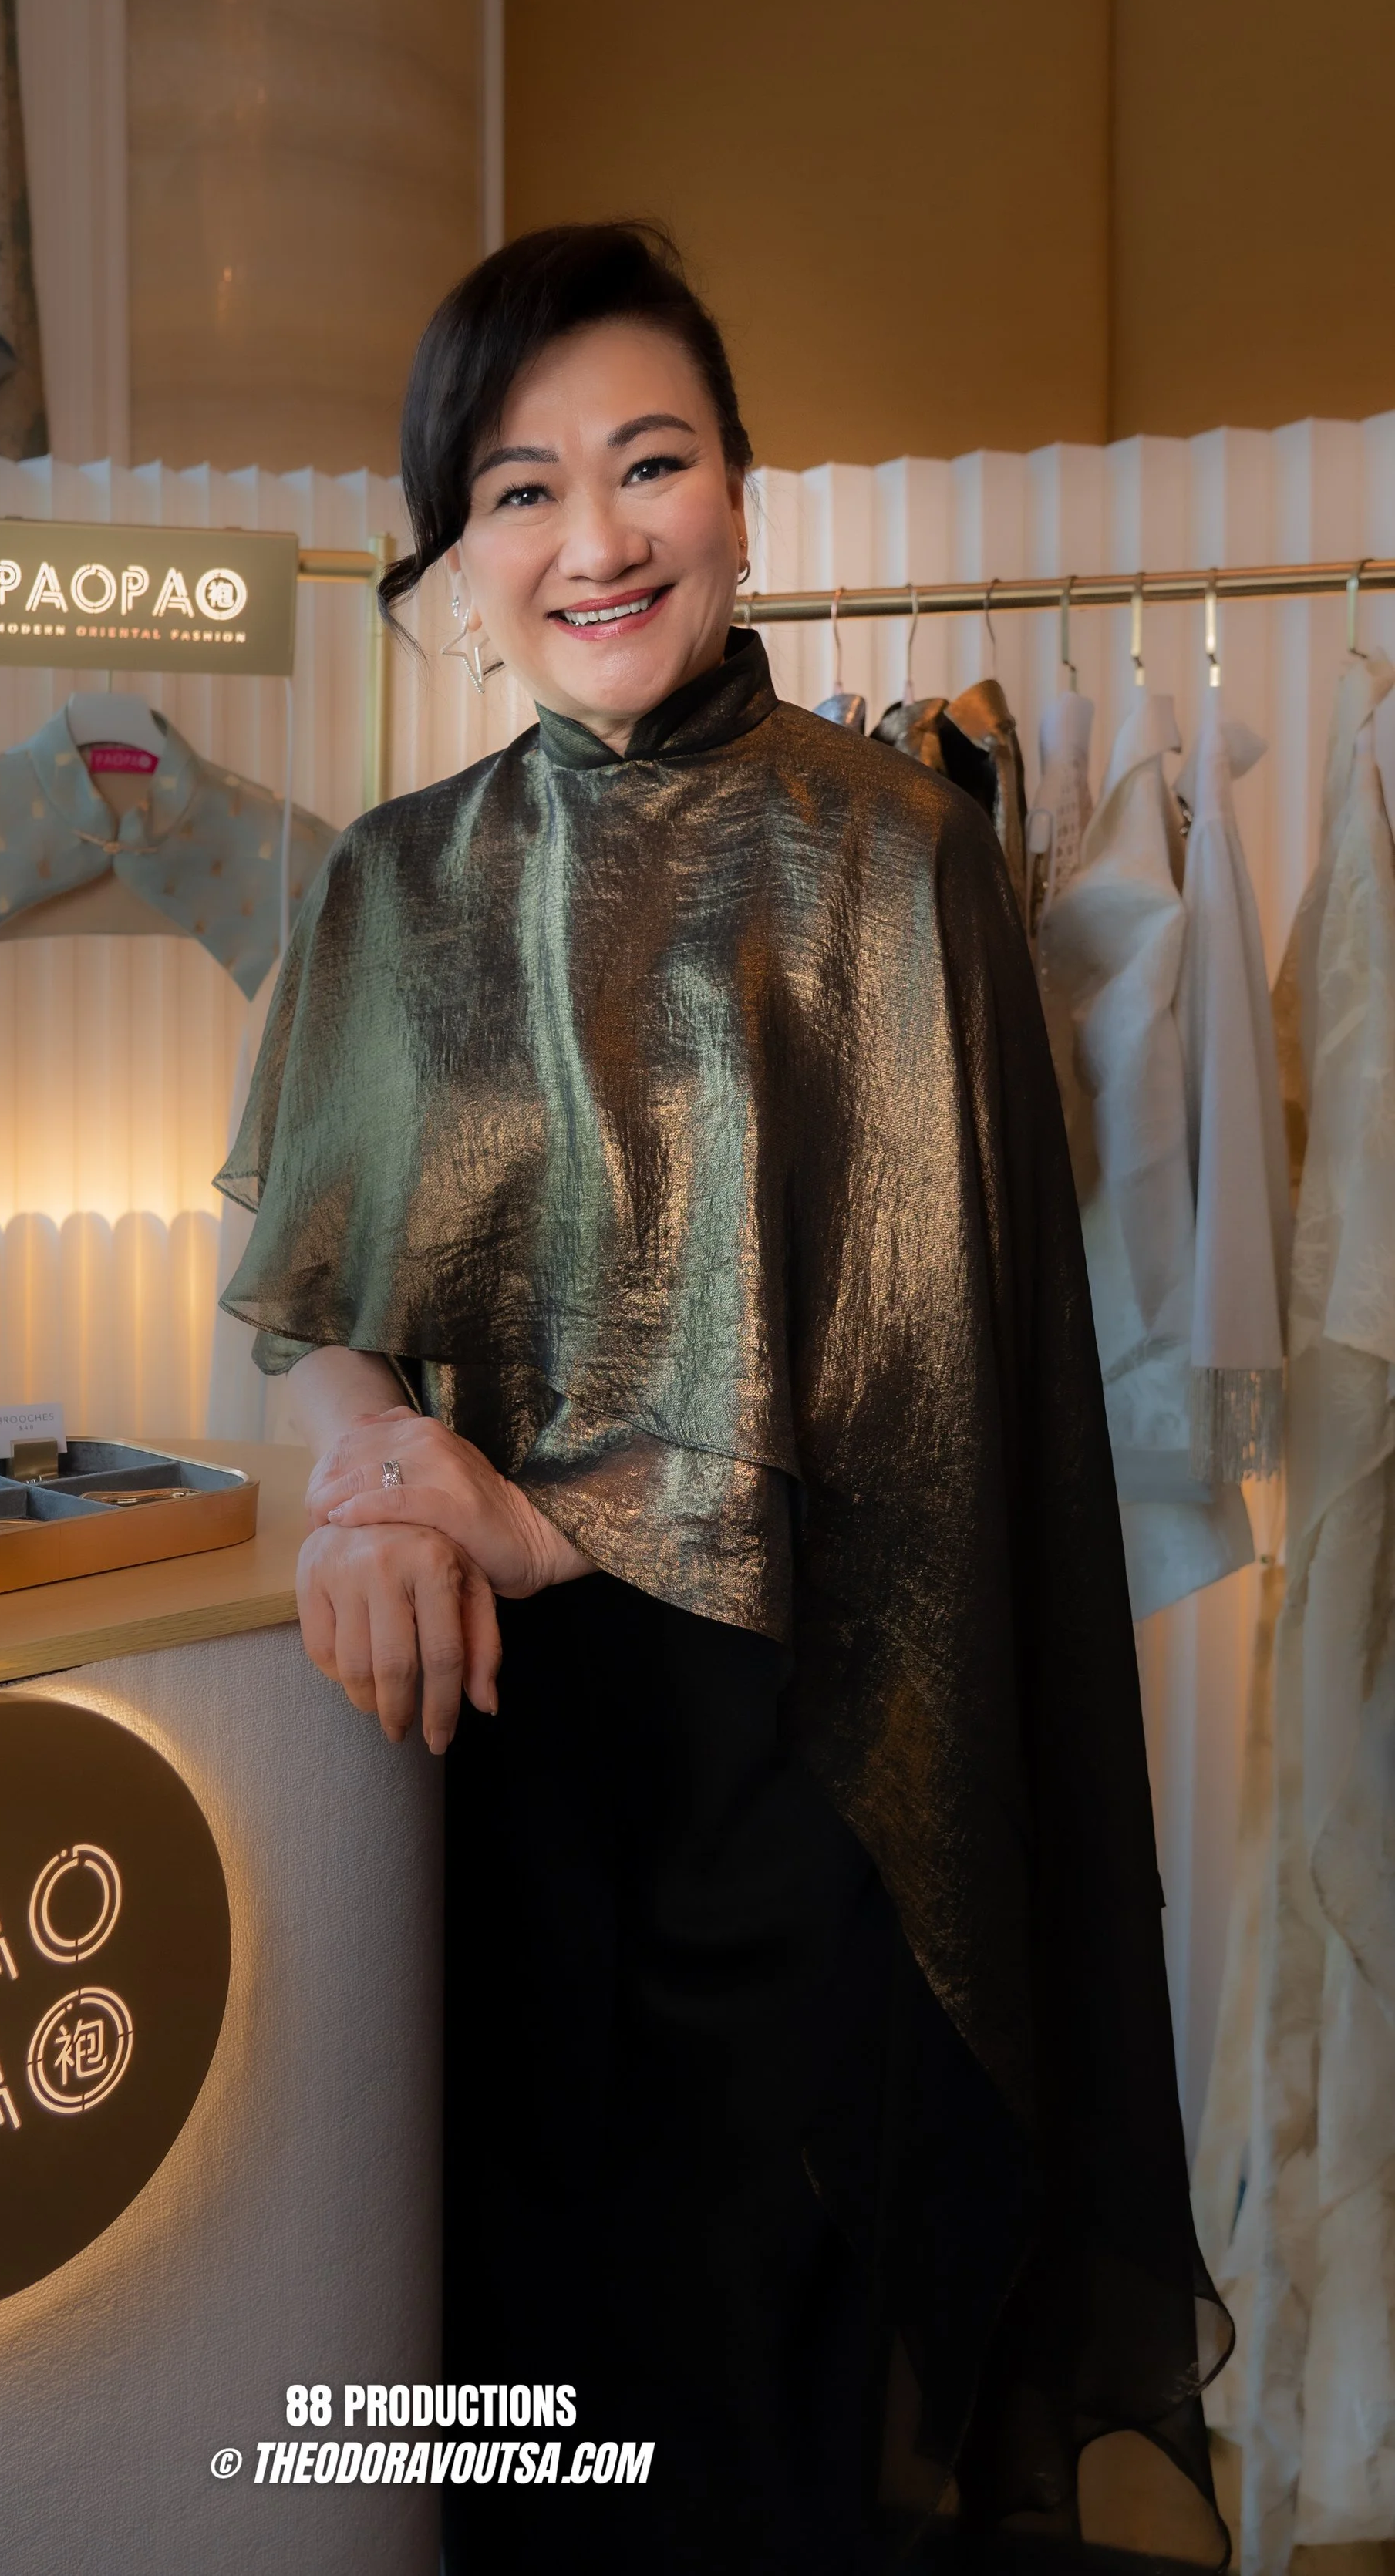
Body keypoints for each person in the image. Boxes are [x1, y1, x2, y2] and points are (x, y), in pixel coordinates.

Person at [217, 224, 1229, 2571]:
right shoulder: (389, 887)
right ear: (456, 561)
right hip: (458, 1780)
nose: (595, 537)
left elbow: (929, 1386)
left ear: (745, 497)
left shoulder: (899, 857)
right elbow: (310, 1297)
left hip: (800, 1769)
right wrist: (371, 1462)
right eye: (521, 490)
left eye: (649, 463)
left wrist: (540, 1517)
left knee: (741, 2424)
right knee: (479, 2401)